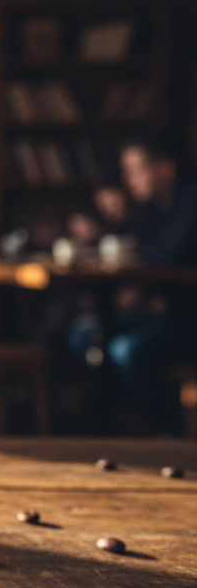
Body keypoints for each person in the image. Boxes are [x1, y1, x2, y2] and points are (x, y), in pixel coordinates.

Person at [96, 136, 197, 433]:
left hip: (187, 319)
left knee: (125, 350)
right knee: (86, 335)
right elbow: (147, 255)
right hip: (166, 312)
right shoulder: (152, 208)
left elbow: (165, 256)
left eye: (136, 170)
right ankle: (114, 430)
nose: (128, 181)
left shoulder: (191, 199)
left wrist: (150, 294)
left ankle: (170, 432)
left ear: (165, 169)